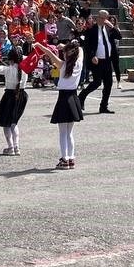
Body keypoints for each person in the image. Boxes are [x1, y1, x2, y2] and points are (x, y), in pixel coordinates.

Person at [42, 39, 84, 170]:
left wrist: (37, 45)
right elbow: (81, 49)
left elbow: (48, 52)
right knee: (69, 132)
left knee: (62, 133)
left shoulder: (62, 65)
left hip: (63, 98)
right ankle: (71, 158)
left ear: (67, 54)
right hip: (73, 97)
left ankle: (64, 159)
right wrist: (67, 47)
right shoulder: (79, 63)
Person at [0, 48, 27, 156]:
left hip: (9, 96)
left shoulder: (7, 69)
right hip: (21, 96)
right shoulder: (25, 68)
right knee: (14, 123)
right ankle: (17, 146)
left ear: (11, 59)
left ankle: (10, 147)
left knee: (6, 124)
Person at [78, 10, 120, 114]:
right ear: (98, 18)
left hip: (107, 60)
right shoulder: (92, 29)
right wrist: (92, 56)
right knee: (96, 83)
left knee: (109, 83)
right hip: (97, 61)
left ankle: (103, 106)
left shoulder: (108, 29)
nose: (103, 20)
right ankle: (81, 97)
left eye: (106, 18)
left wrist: (112, 26)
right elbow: (87, 45)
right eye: (102, 18)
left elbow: (119, 36)